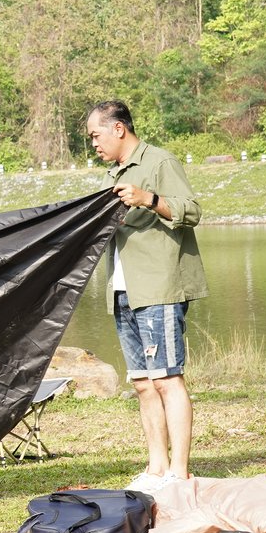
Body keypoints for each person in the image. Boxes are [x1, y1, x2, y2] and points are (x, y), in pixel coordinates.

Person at [84, 100, 208, 493]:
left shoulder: (160, 162)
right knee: (142, 383)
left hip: (158, 288)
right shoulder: (113, 173)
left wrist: (149, 199)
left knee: (168, 379)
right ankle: (156, 469)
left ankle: (179, 472)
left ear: (118, 128)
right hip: (124, 290)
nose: (93, 144)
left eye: (96, 135)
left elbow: (192, 211)